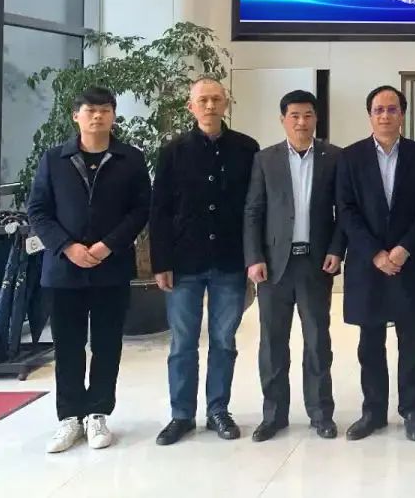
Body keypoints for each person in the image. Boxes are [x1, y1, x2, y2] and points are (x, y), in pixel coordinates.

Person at [27, 87, 150, 453]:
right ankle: (69, 417)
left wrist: (107, 245)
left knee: (107, 344)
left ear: (113, 115)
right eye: (90, 110)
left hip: (111, 267)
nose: (97, 116)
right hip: (64, 270)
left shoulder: (130, 158)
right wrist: (68, 247)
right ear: (75, 116)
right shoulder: (53, 159)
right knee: (67, 345)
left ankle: (97, 413)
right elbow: (38, 211)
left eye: (105, 110)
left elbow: (141, 210)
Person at [150, 76, 260, 445]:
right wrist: (161, 262)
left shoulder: (246, 148)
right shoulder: (172, 151)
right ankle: (181, 415)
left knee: (224, 340)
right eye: (203, 100)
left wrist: (254, 257)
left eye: (216, 99)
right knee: (183, 343)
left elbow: (254, 208)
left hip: (230, 260)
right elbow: (159, 210)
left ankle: (218, 410)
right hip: (184, 262)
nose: (210, 106)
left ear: (226, 103)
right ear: (191, 107)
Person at [244, 90, 343, 442]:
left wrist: (337, 249)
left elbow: (343, 210)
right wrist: (254, 257)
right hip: (274, 266)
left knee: (317, 341)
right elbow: (253, 211)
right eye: (294, 116)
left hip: (315, 264)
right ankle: (273, 415)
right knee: (272, 343)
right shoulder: (265, 159)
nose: (302, 122)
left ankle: (321, 414)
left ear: (316, 118)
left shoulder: (334, 157)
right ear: (283, 119)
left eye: (308, 115)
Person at [336, 85, 415, 442]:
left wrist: (405, 247)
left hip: (409, 261)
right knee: (370, 342)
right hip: (368, 264)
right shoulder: (350, 157)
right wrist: (375, 253)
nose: (386, 116)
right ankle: (373, 412)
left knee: (411, 341)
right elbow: (346, 210)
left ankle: (412, 411)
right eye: (379, 110)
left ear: (402, 114)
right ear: (370, 115)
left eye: (393, 109)